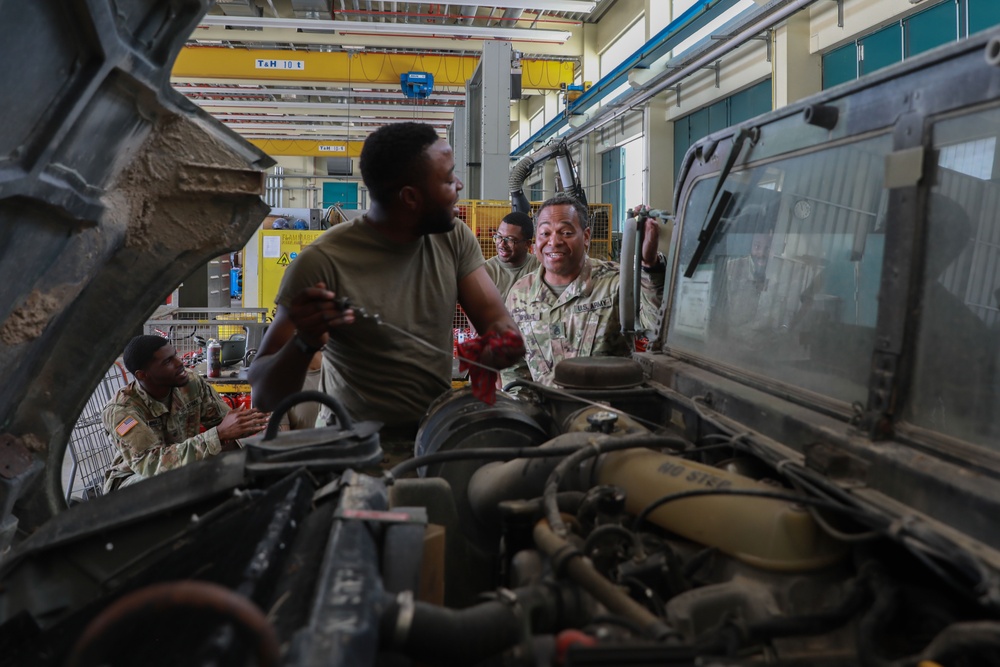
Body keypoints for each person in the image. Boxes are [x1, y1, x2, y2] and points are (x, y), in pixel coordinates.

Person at [248, 121, 524, 443]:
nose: (459, 185)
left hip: (431, 435)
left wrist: (501, 342)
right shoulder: (321, 262)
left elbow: (494, 319)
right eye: (448, 179)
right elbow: (264, 394)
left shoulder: (453, 238)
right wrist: (304, 342)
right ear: (410, 197)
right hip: (352, 446)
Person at [503, 193, 664, 386]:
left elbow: (656, 326)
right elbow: (513, 368)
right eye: (545, 233)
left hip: (605, 413)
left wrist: (649, 264)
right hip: (544, 412)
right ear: (535, 241)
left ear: (586, 237)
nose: (554, 242)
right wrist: (521, 412)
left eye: (566, 232)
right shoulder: (520, 294)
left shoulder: (615, 282)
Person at [102, 335, 270, 492]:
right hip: (132, 482)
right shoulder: (122, 411)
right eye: (168, 361)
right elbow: (150, 465)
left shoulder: (190, 384)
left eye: (175, 355)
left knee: (246, 456)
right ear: (142, 375)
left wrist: (260, 421)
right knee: (174, 480)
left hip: (181, 469)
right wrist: (218, 434)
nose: (179, 363)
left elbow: (227, 427)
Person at [483, 211, 540, 300]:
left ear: (527, 244)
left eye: (510, 240)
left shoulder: (540, 268)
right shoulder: (485, 271)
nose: (502, 245)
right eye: (499, 237)